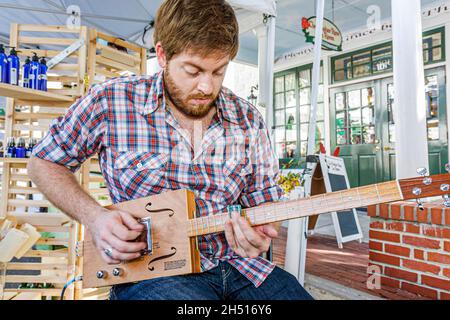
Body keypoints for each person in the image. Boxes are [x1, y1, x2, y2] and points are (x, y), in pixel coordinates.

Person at [27, 0, 313, 300]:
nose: (206, 86)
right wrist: (95, 218)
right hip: (154, 275)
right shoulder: (111, 102)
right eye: (193, 70)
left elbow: (264, 204)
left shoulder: (249, 119)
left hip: (240, 267)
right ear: (162, 55)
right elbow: (44, 163)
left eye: (219, 71)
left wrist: (259, 236)